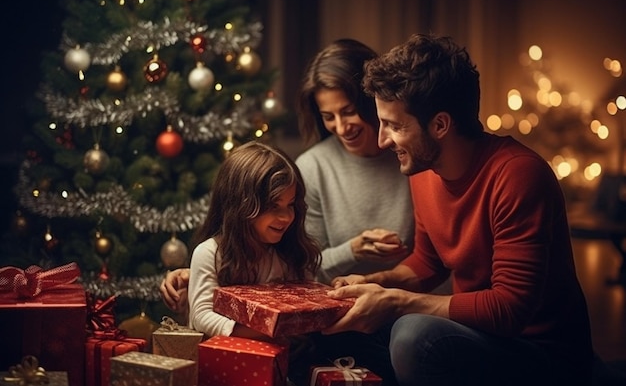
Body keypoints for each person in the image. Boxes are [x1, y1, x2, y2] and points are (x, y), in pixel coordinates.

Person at [322, 33, 594, 386]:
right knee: (336, 324)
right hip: (479, 335)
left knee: (413, 335)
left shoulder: (519, 174)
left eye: (394, 125)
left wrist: (397, 302)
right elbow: (428, 262)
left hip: (542, 354)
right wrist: (374, 284)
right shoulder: (424, 169)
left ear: (440, 125)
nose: (382, 140)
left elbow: (508, 310)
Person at [160, 39, 415, 312]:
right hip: (344, 315)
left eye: (349, 112)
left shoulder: (412, 158)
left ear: (373, 100)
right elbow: (299, 267)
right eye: (328, 116)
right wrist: (352, 250)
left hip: (410, 305)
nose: (341, 128)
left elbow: (433, 261)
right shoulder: (313, 167)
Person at [186, 140, 321, 341]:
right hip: (227, 361)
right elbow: (201, 316)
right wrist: (269, 331)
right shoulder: (210, 253)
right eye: (274, 206)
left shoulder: (288, 253)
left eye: (291, 205)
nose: (286, 217)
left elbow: (309, 308)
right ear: (241, 206)